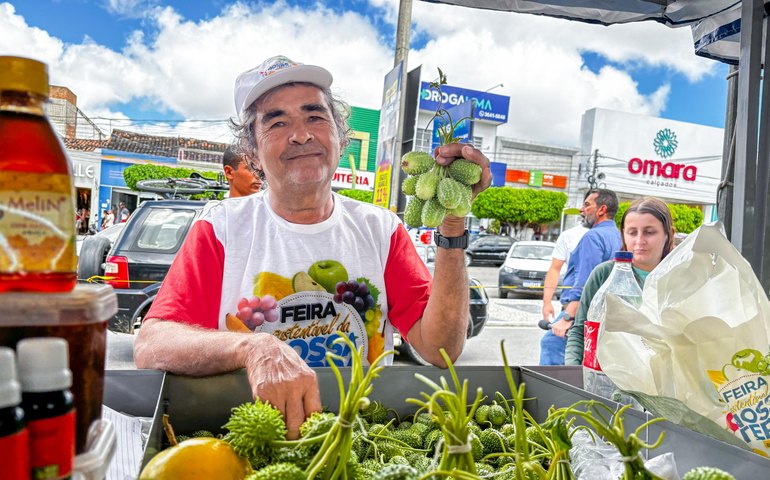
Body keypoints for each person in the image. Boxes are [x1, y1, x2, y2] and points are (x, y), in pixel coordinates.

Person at [134, 54, 492, 439]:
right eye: (277, 122)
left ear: (341, 136)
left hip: (361, 444)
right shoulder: (221, 228)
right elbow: (152, 343)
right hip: (255, 442)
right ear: (252, 152)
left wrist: (453, 224)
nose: (301, 134)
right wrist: (253, 349)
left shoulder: (381, 229)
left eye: (315, 117)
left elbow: (441, 349)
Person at [565, 196, 675, 366]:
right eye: (632, 232)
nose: (639, 241)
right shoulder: (604, 274)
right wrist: (574, 373)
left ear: (668, 234)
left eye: (649, 232)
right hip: (607, 377)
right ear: (623, 235)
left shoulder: (680, 277)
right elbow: (580, 331)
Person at [539, 189, 621, 365]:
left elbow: (584, 283)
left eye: (586, 205)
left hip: (580, 314)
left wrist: (567, 319)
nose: (581, 210)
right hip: (602, 317)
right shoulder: (617, 236)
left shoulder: (593, 237)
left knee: (551, 344)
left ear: (601, 210)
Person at [540, 222, 589, 324]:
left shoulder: (611, 235)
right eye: (583, 205)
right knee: (550, 339)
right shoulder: (569, 235)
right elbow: (555, 269)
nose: (582, 210)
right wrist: (547, 302)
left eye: (587, 205)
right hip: (569, 306)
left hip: (590, 309)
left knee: (549, 340)